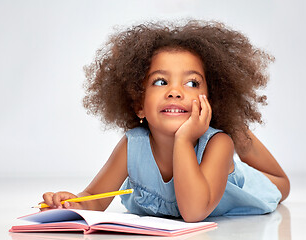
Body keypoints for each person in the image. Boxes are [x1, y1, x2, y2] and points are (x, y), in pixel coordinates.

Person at [42, 20, 290, 222]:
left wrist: (185, 139)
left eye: (191, 83)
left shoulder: (218, 144)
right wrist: (73, 203)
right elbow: (95, 197)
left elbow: (193, 212)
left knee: (282, 185)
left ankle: (240, 133)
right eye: (161, 82)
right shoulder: (133, 146)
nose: (175, 91)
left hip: (245, 182)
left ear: (210, 101)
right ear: (140, 105)